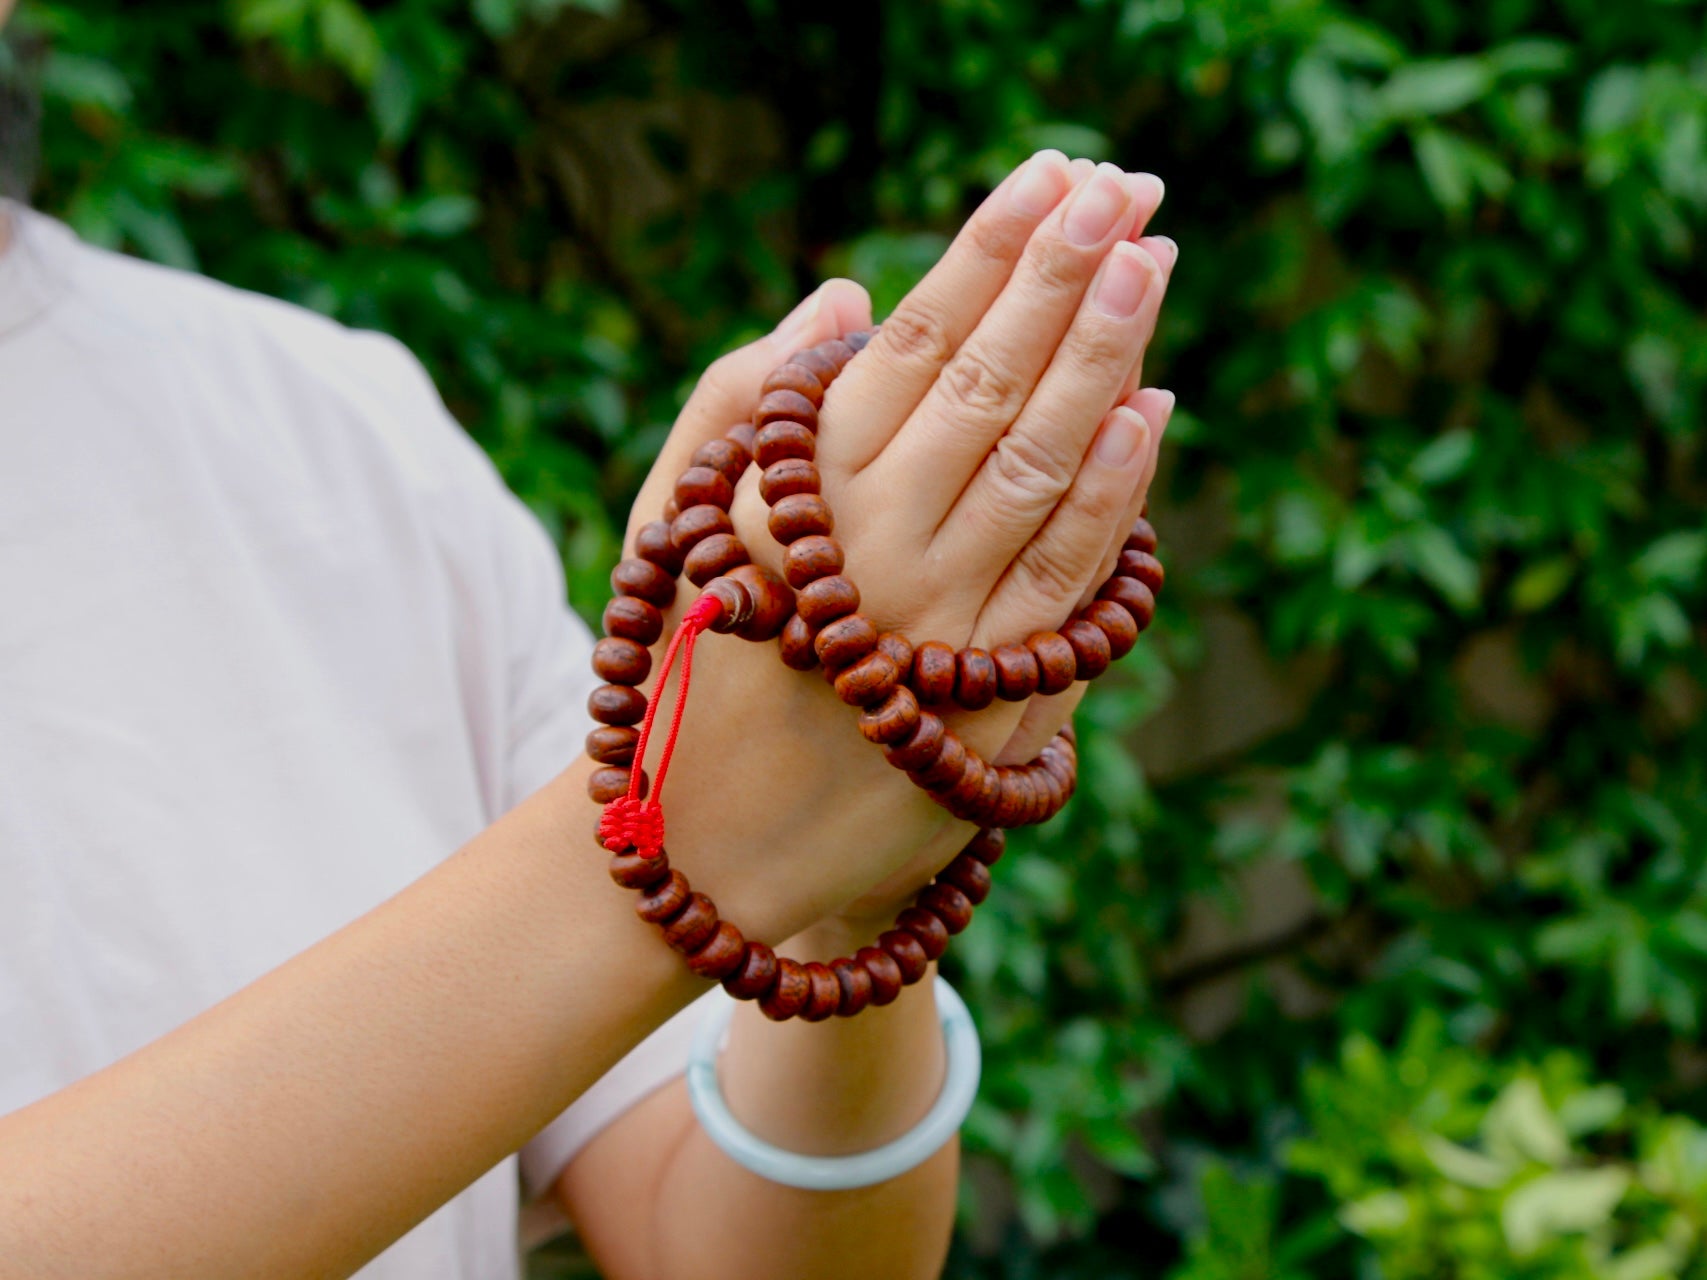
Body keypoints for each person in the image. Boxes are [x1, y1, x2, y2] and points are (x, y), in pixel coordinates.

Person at [0, 9, 1178, 1275]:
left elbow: (719, 1244)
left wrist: (856, 893)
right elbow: (646, 864)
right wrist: (675, 849)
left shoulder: (336, 433)